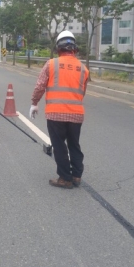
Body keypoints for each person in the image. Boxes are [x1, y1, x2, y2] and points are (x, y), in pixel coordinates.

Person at [29, 31, 89, 189]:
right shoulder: (84, 68)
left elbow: (40, 86)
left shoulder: (51, 64)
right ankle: (76, 176)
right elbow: (82, 92)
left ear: (58, 47)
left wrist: (34, 103)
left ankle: (65, 178)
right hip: (76, 114)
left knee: (60, 146)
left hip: (56, 113)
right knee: (74, 145)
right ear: (74, 48)